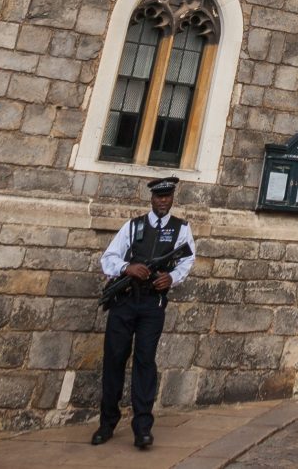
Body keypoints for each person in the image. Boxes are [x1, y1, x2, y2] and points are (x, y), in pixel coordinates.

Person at [93, 176, 196, 450]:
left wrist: (171, 278)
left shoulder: (181, 229)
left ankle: (142, 428)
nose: (163, 201)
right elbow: (109, 258)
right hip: (125, 302)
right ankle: (107, 423)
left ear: (172, 199)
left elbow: (187, 261)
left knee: (145, 362)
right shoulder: (133, 226)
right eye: (158, 197)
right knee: (114, 359)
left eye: (167, 197)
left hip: (152, 305)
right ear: (151, 199)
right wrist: (128, 268)